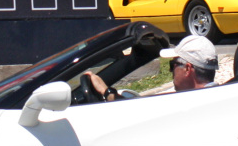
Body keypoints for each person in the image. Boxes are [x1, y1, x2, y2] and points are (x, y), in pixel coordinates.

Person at [85, 34, 218, 101]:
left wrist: (106, 91)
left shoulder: (192, 104)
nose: (170, 71)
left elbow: (138, 118)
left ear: (188, 69)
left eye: (173, 65)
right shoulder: (216, 97)